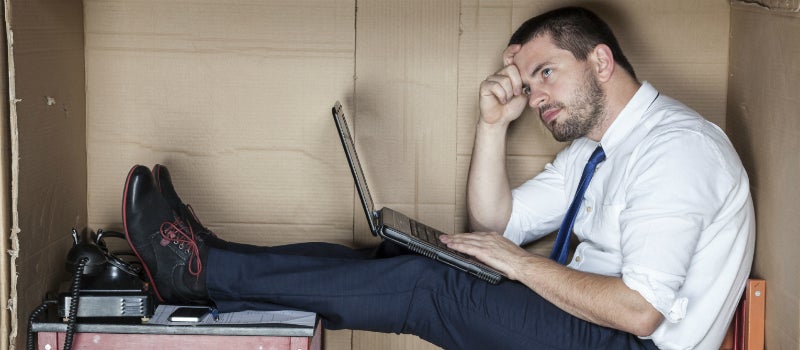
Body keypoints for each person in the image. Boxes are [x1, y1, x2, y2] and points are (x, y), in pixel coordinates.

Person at [121, 7, 754, 350]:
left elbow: (640, 313)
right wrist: (492, 125)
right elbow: (493, 224)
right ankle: (214, 263)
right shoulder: (601, 147)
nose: (535, 98)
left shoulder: (677, 151)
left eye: (545, 74)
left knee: (429, 287)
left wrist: (520, 265)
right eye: (528, 84)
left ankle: (201, 271)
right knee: (399, 253)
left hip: (626, 345)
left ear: (601, 60)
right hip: (589, 322)